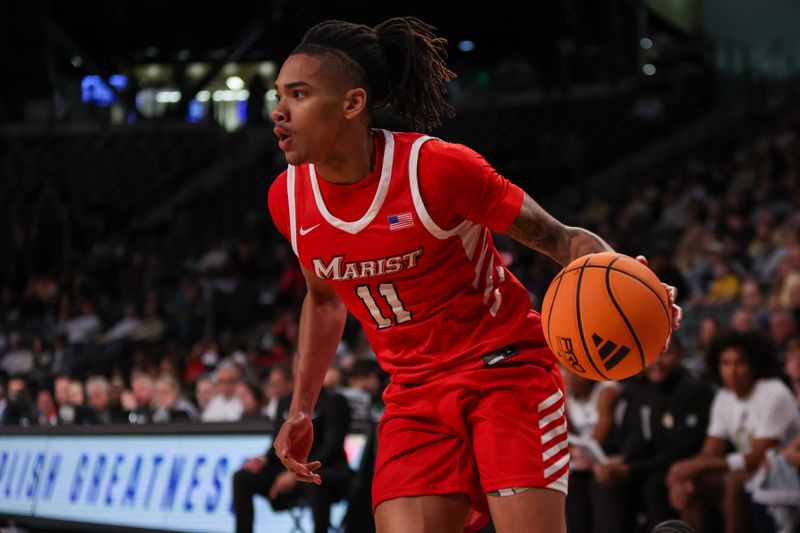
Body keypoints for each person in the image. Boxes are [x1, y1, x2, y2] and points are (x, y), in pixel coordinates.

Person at [267, 17, 682, 533]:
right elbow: (324, 300)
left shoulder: (435, 170)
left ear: (352, 104)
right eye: (278, 94)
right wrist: (301, 409)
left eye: (298, 94)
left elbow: (558, 237)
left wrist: (625, 278)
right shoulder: (286, 198)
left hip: (503, 373)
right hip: (413, 394)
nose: (278, 112)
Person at [667, 330, 800, 533]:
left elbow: (757, 457)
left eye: (740, 363)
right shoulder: (724, 397)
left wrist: (694, 465)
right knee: (692, 484)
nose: (732, 371)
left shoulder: (774, 392)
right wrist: (686, 475)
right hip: (751, 472)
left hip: (782, 473)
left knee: (734, 482)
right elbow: (710, 451)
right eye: (725, 363)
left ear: (754, 364)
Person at [592, 338, 714, 533]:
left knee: (656, 485)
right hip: (648, 466)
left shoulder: (694, 390)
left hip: (681, 468)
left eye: (664, 353)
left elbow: (684, 449)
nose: (657, 361)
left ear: (680, 355)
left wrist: (630, 469)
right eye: (651, 355)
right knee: (603, 483)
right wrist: (619, 463)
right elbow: (640, 440)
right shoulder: (641, 390)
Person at [232, 381, 352, 533]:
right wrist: (265, 459)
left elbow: (331, 448)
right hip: (287, 470)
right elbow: (278, 441)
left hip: (325, 467)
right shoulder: (284, 401)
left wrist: (297, 472)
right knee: (242, 477)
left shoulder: (334, 401)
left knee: (313, 480)